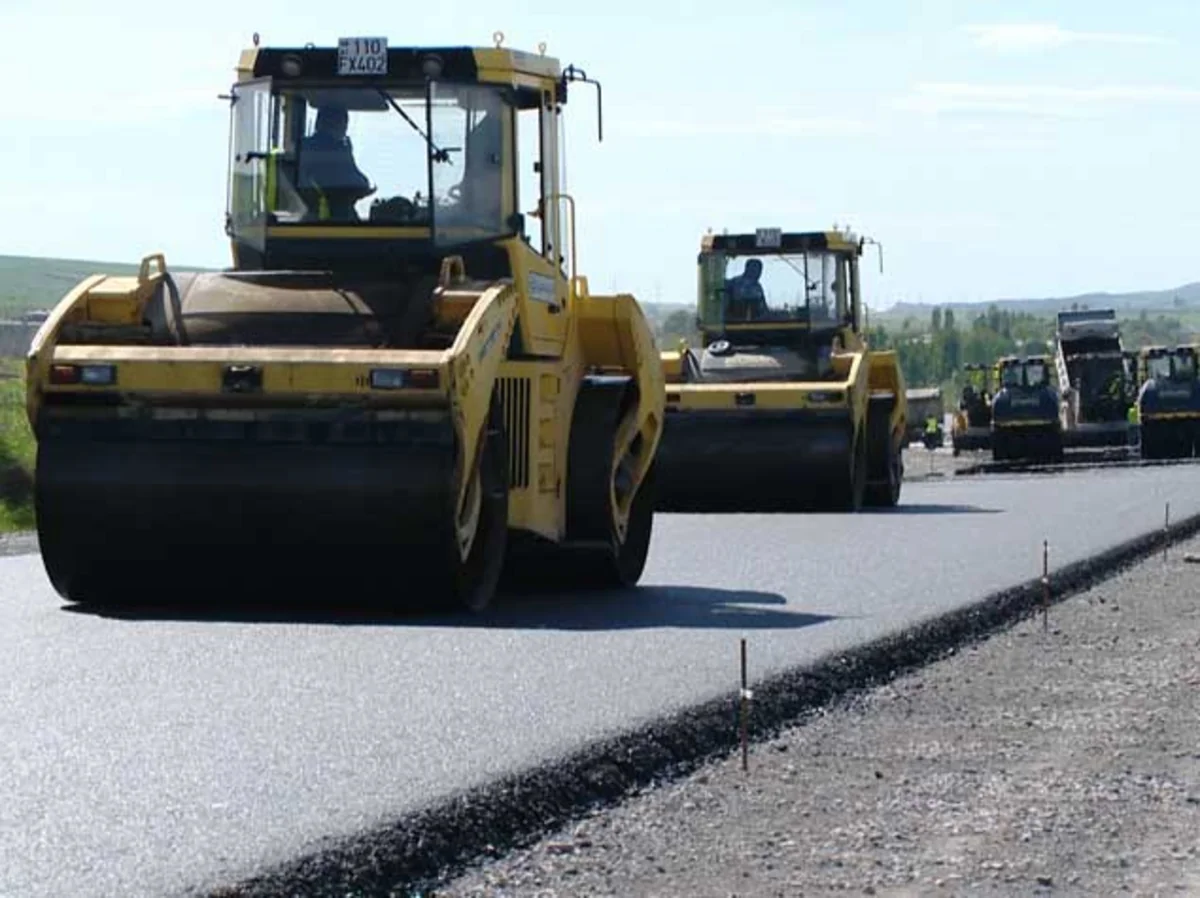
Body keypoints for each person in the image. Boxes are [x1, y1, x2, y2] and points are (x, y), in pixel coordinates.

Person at [297, 105, 375, 221]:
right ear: (340, 125)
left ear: (318, 123)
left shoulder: (301, 147)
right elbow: (358, 183)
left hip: (307, 218)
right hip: (334, 221)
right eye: (344, 125)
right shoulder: (335, 150)